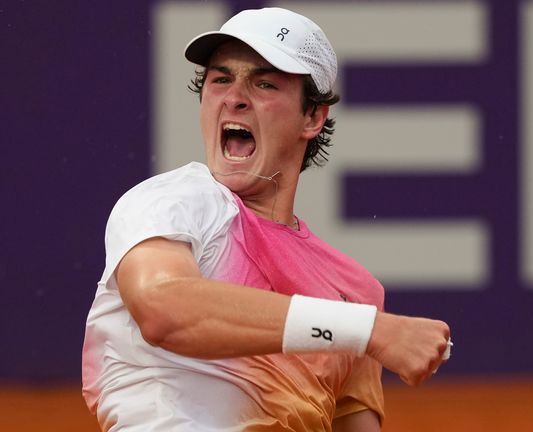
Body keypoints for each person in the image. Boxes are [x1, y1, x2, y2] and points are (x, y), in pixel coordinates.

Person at [81, 7, 451, 432]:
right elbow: (164, 308)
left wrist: (364, 326)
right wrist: (367, 330)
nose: (234, 96)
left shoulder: (355, 292)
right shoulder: (174, 200)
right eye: (221, 79)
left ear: (312, 117)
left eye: (264, 83)